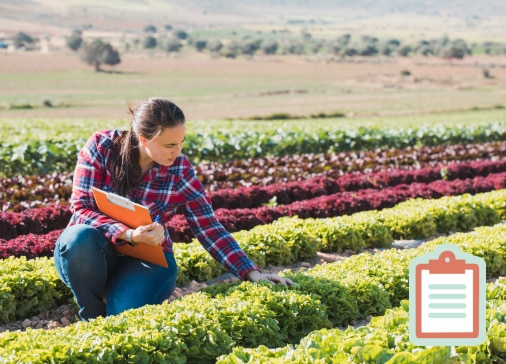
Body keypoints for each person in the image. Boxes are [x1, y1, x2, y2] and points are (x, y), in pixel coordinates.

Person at [53, 97, 293, 321]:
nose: (177, 152)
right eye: (169, 145)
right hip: (93, 252)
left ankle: (119, 297)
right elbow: (82, 208)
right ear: (144, 139)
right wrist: (127, 234)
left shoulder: (179, 170)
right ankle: (91, 316)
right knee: (78, 237)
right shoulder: (101, 147)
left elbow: (208, 227)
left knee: (122, 316)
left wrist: (251, 272)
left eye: (181, 143)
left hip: (148, 260)